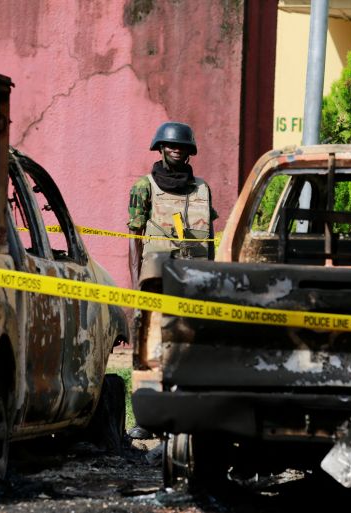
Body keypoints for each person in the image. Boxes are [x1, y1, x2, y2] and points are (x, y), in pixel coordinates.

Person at [126, 121, 218, 440]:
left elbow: (209, 239)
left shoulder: (202, 189)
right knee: (153, 350)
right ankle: (148, 418)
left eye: (182, 146)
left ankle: (191, 415)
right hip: (156, 280)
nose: (176, 150)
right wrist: (135, 283)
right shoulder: (144, 186)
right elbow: (133, 238)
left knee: (194, 348)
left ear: (190, 151)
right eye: (170, 145)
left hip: (195, 282)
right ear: (160, 148)